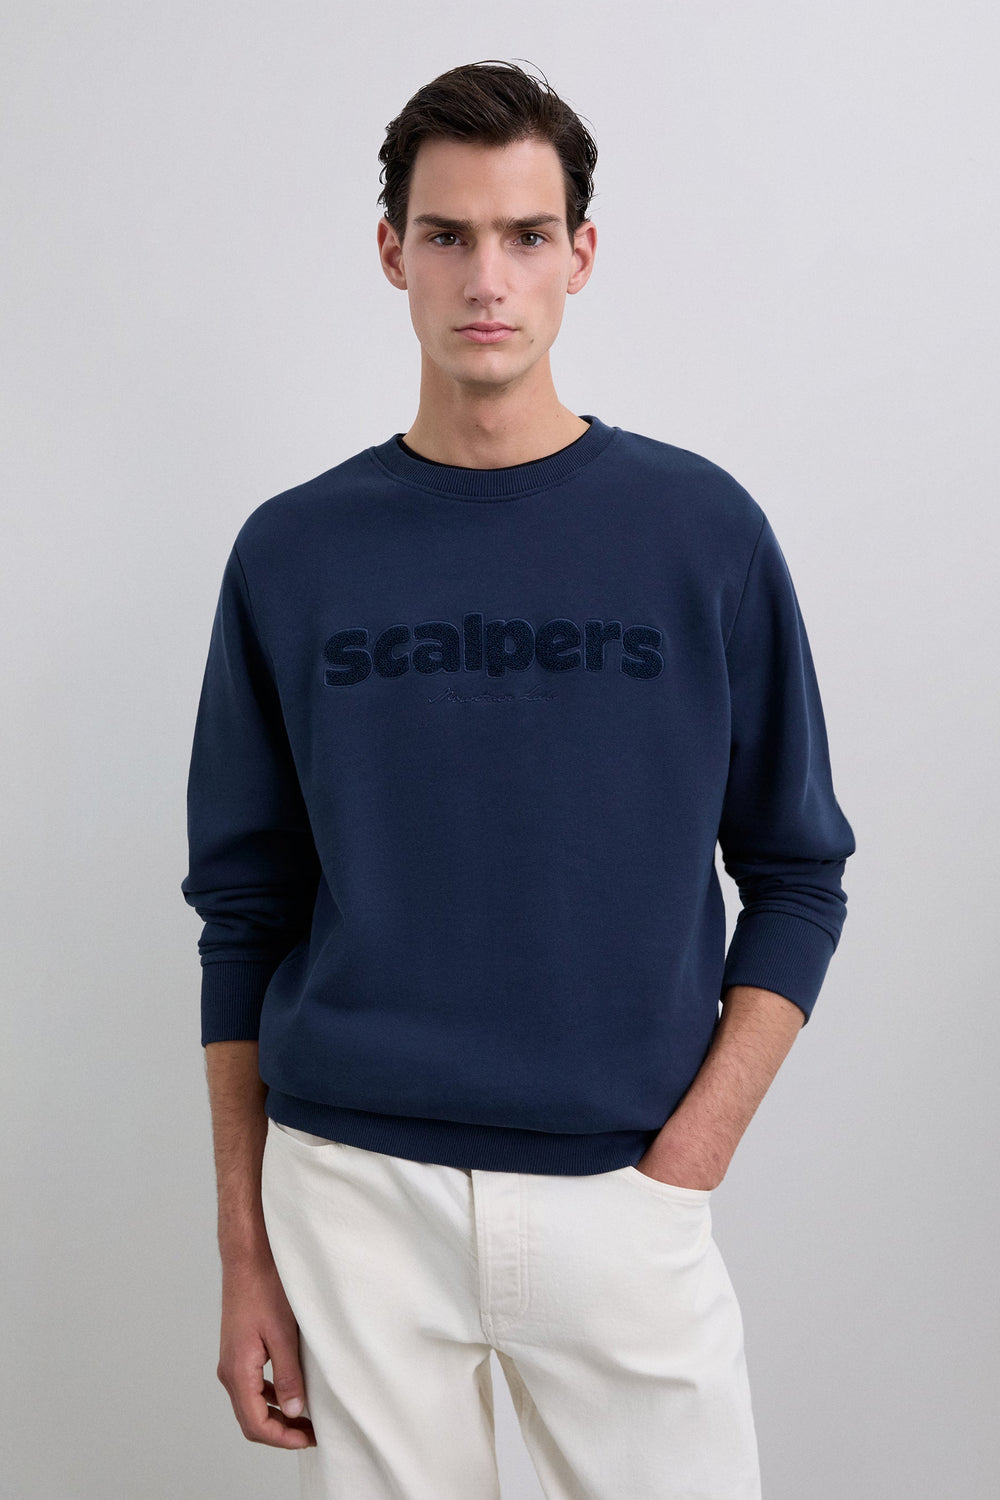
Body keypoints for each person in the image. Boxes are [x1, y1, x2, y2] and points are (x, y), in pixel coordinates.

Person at [181, 58, 855, 1500]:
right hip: (351, 1192)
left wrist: (689, 1157)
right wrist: (245, 1252)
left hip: (627, 1190)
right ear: (393, 253)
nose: (487, 278)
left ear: (579, 255)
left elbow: (799, 872)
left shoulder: (701, 532)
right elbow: (243, 914)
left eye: (525, 235)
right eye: (449, 234)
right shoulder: (293, 553)